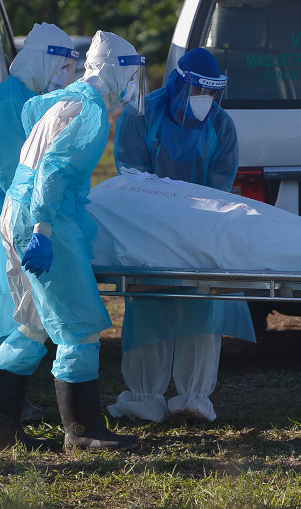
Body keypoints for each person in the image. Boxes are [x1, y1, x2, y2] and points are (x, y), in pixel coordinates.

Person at [0, 31, 145, 451]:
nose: (131, 81)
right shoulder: (88, 111)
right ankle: (83, 432)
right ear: (112, 69)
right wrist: (43, 230)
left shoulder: (67, 98)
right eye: (128, 71)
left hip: (17, 213)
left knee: (32, 325)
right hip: (45, 220)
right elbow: (52, 172)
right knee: (79, 325)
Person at [108, 47, 254, 423]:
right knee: (150, 309)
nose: (205, 102)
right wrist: (164, 210)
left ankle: (193, 397)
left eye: (212, 93)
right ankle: (144, 397)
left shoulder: (220, 124)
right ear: (179, 85)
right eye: (198, 92)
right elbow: (131, 174)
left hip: (199, 231)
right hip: (148, 231)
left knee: (200, 309)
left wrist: (194, 217)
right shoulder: (142, 114)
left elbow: (221, 181)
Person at [0, 23, 78, 364]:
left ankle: (10, 368)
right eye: (61, 67)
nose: (64, 75)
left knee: (16, 282)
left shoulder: (31, 97)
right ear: (42, 61)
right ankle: (1, 365)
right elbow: (10, 167)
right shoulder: (6, 100)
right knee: (6, 283)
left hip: (13, 197)